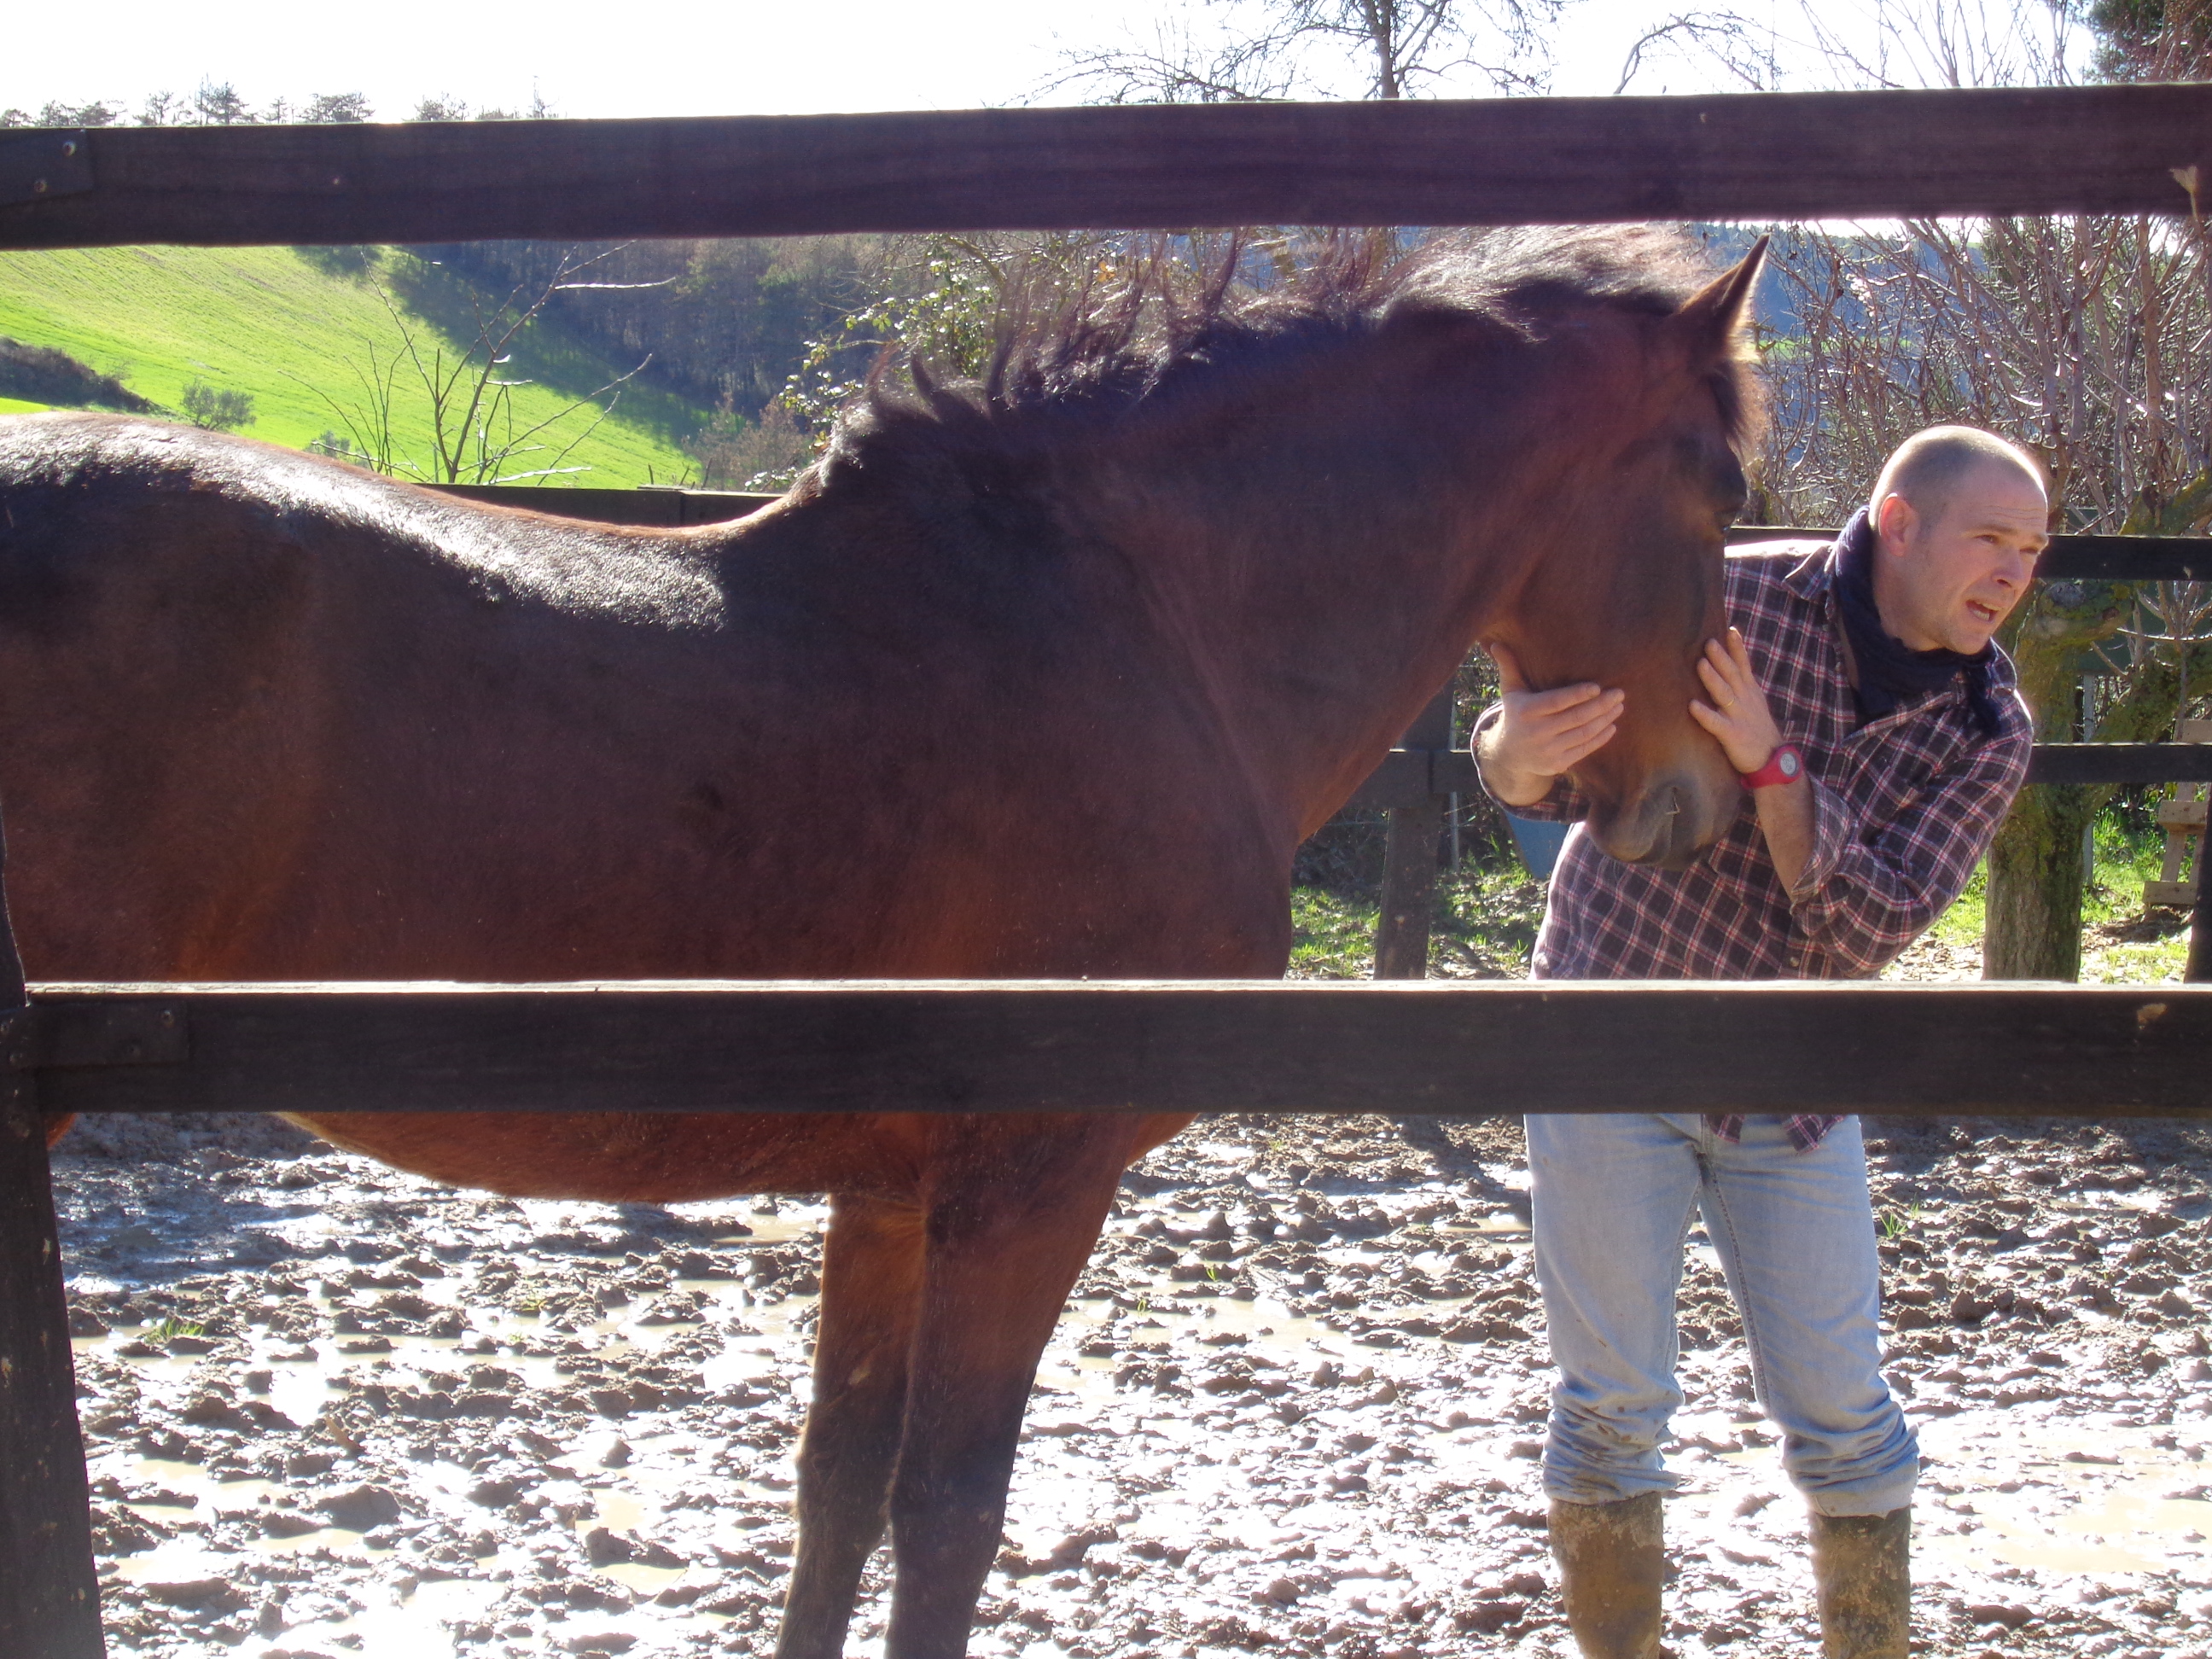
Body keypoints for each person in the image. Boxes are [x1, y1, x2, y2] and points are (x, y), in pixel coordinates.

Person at [1471, 426, 2048, 1659]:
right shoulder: (1723, 597)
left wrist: (1773, 769)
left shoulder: (1993, 727)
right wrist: (1506, 756)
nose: (2013, 573)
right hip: (1605, 1039)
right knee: (1613, 1409)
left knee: (1848, 1419)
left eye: (2032, 551)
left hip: (1794, 1083)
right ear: (1900, 522)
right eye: (1991, 539)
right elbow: (1548, 760)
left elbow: (1871, 928)